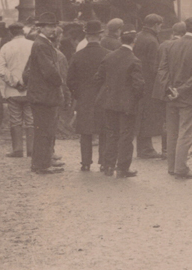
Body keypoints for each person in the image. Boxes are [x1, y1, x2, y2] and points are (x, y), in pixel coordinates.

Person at [94, 30, 146, 177]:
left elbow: (98, 78)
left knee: (112, 134)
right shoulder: (134, 60)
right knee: (126, 135)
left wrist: (108, 91)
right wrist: (136, 99)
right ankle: (123, 168)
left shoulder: (108, 56)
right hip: (127, 105)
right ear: (134, 41)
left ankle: (108, 166)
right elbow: (139, 85)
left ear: (121, 39)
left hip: (109, 103)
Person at [159, 16, 192, 179]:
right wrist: (181, 90)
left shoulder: (170, 45)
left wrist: (170, 89)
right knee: (185, 133)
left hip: (171, 96)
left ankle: (172, 167)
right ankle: (181, 168)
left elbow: (163, 70)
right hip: (188, 97)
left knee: (172, 132)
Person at [23, 12, 66, 174]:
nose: (53, 29)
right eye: (49, 26)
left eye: (54, 26)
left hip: (44, 95)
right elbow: (49, 71)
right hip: (44, 96)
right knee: (43, 131)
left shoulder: (43, 43)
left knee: (46, 130)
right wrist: (60, 81)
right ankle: (41, 165)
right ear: (41, 27)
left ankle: (44, 162)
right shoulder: (41, 44)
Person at [67, 19, 108, 171]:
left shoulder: (77, 56)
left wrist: (78, 95)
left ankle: (85, 163)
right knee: (104, 130)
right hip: (103, 98)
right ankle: (104, 162)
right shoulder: (108, 55)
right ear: (100, 36)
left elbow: (70, 80)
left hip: (84, 98)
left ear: (87, 36)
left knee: (85, 132)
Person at [0, 21, 33, 158]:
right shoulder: (33, 45)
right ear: (23, 32)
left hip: (13, 91)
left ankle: (17, 150)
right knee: (31, 120)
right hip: (30, 90)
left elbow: (0, 69)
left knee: (15, 120)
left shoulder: (6, 47)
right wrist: (26, 83)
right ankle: (31, 150)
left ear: (10, 33)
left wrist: (14, 83)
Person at [152, 21, 185, 159]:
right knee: (178, 121)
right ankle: (176, 151)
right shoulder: (183, 46)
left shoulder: (163, 45)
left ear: (173, 32)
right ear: (183, 34)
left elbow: (156, 67)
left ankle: (166, 150)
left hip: (163, 88)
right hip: (177, 88)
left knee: (166, 120)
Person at [133, 14, 164, 159]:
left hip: (137, 81)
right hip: (149, 83)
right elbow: (154, 66)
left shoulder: (138, 36)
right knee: (148, 115)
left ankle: (144, 147)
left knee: (140, 114)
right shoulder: (152, 41)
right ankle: (145, 149)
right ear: (156, 25)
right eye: (160, 25)